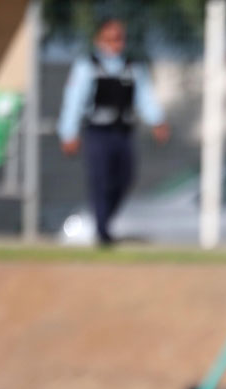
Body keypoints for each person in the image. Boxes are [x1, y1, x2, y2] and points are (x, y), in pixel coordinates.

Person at [57, 17, 169, 246]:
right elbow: (74, 101)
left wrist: (158, 120)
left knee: (125, 178)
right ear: (99, 40)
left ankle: (104, 221)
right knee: (100, 180)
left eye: (119, 38)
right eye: (110, 38)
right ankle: (102, 231)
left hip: (123, 133)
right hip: (98, 133)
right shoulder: (86, 66)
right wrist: (68, 133)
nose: (115, 43)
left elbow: (145, 98)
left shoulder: (133, 67)